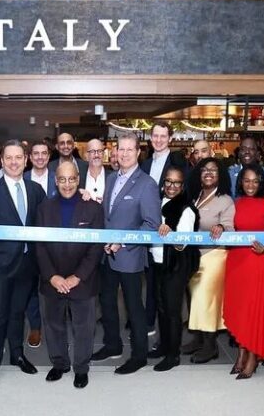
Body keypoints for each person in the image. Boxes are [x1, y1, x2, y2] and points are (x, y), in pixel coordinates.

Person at [0, 140, 46, 391]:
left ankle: (17, 355)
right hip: (0, 266)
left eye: (18, 157)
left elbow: (45, 224)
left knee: (18, 314)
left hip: (28, 264)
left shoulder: (36, 190)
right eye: (9, 158)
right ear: (2, 161)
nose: (14, 162)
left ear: (25, 160)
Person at [91, 132, 161, 375]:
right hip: (106, 254)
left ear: (139, 152)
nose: (124, 153)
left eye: (130, 149)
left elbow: (152, 224)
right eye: (121, 149)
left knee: (133, 307)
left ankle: (139, 355)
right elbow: (107, 214)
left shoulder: (147, 184)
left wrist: (122, 241)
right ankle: (113, 345)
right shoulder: (111, 178)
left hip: (129, 256)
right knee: (107, 302)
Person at [36, 161, 105, 389]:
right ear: (56, 181)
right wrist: (52, 276)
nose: (67, 184)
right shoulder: (44, 208)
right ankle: (60, 364)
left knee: (83, 327)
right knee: (54, 325)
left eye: (72, 179)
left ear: (78, 179)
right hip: (52, 280)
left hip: (82, 281)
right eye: (62, 180)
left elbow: (96, 248)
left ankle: (81, 368)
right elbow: (39, 246)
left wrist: (77, 277)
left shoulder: (93, 208)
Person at [224, 164, 264, 379]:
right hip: (237, 260)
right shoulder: (235, 203)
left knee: (253, 310)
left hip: (258, 261)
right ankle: (240, 355)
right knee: (239, 310)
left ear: (262, 183)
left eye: (255, 181)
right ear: (241, 182)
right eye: (246, 180)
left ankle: (253, 358)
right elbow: (230, 228)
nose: (250, 185)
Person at [181, 158, 234, 364]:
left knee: (206, 301)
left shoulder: (225, 200)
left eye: (213, 170)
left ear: (220, 174)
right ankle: (198, 339)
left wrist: (220, 226)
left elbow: (229, 227)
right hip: (193, 256)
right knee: (194, 299)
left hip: (213, 256)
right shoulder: (194, 197)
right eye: (204, 170)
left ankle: (211, 346)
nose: (208, 173)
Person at [140, 121, 188, 336]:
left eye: (163, 136)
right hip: (150, 228)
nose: (158, 140)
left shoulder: (178, 162)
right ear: (151, 138)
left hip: (172, 228)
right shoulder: (145, 164)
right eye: (155, 136)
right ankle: (149, 322)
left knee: (169, 285)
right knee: (151, 279)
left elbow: (184, 194)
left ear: (170, 138)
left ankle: (170, 332)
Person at [150, 166, 200, 371]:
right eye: (168, 182)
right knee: (161, 307)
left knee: (172, 310)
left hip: (176, 265)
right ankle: (163, 346)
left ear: (182, 185)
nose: (171, 186)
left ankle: (173, 355)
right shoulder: (156, 203)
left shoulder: (186, 209)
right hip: (158, 262)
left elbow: (182, 244)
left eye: (176, 183)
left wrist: (171, 233)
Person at [22, 140, 57, 348]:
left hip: (54, 244)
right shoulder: (22, 179)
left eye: (44, 153)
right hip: (28, 244)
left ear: (49, 155)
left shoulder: (59, 178)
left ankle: (55, 329)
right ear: (30, 157)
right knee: (30, 288)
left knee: (53, 287)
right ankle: (35, 327)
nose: (40, 157)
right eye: (36, 154)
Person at [228, 136, 264, 201]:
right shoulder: (230, 174)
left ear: (257, 154)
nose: (247, 152)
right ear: (239, 153)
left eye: (251, 149)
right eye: (243, 149)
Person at [81, 138, 112, 204]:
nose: (96, 155)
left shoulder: (112, 177)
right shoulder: (79, 177)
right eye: (92, 151)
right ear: (86, 155)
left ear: (103, 154)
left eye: (100, 151)